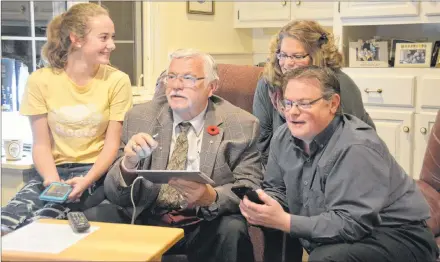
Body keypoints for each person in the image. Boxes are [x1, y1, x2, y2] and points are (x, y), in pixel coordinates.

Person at [240, 65, 439, 262]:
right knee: (274, 226)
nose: (292, 112)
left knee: (325, 257)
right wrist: (264, 205)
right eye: (288, 103)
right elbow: (277, 189)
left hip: (397, 236)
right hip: (346, 229)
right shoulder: (283, 137)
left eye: (304, 103)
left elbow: (351, 224)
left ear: (333, 104)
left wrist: (286, 221)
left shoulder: (356, 147)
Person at [84, 49, 263, 262]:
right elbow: (115, 193)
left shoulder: (242, 125)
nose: (176, 85)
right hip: (147, 217)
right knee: (94, 219)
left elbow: (249, 186)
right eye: (171, 77)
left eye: (188, 78)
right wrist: (128, 165)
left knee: (233, 230)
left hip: (204, 222)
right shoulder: (141, 117)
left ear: (211, 87)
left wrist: (212, 197)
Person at [1, 3, 133, 235]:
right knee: (7, 221)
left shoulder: (117, 81)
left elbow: (112, 145)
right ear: (77, 39)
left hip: (95, 174)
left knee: (42, 225)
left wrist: (86, 181)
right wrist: (53, 181)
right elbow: (41, 144)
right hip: (52, 170)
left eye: (112, 37)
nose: (111, 45)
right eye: (103, 38)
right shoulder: (39, 81)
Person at [254, 20, 375, 167]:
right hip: (285, 169)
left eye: (297, 56)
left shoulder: (340, 84)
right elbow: (262, 141)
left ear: (316, 55)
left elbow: (352, 144)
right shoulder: (268, 83)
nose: (287, 63)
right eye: (283, 55)